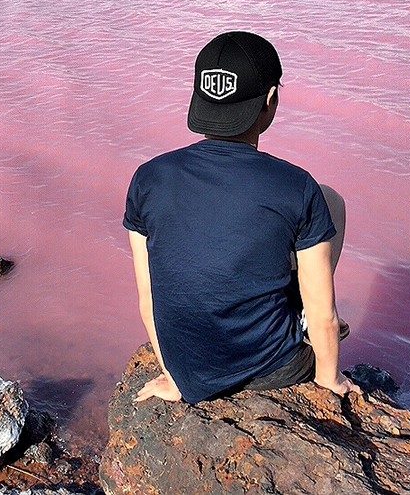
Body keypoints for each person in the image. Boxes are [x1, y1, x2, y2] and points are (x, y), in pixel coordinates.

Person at [124, 31, 359, 404]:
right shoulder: (296, 185)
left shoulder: (147, 178)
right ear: (270, 101)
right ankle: (294, 321)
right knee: (331, 202)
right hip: (272, 367)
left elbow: (149, 298)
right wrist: (329, 378)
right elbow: (326, 316)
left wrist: (175, 376)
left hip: (191, 370)